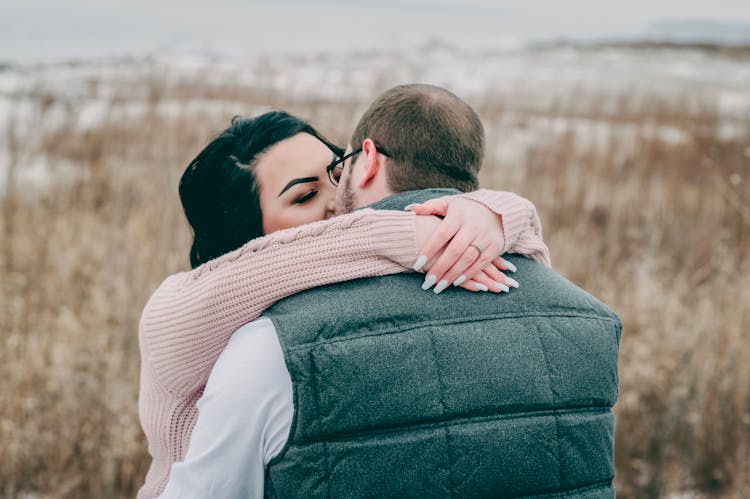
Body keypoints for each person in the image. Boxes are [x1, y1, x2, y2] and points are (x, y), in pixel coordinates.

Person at [158, 84, 620, 498]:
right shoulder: (230, 323)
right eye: (302, 197)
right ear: (246, 238)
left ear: (365, 163)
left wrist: (496, 214)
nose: (337, 204)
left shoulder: (270, 351)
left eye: (337, 171)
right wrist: (405, 230)